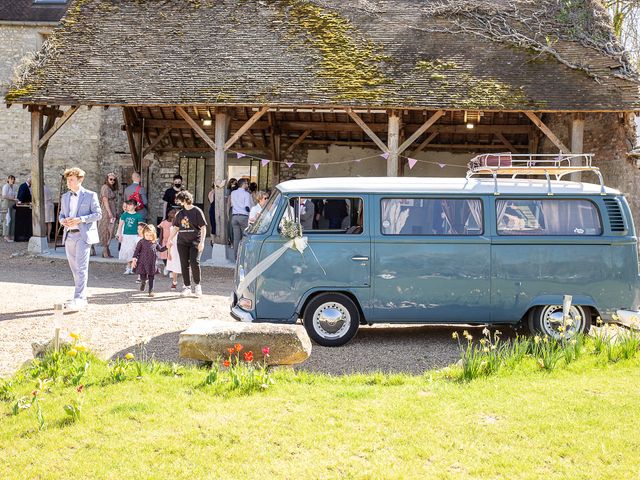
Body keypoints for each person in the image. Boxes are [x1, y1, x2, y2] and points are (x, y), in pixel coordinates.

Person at [58, 167, 102, 311]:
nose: (68, 183)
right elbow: (61, 215)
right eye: (68, 180)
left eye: (71, 180)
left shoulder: (90, 195)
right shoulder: (65, 197)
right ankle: (81, 296)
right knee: (74, 268)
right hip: (69, 235)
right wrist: (63, 221)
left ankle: (79, 298)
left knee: (81, 268)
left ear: (80, 180)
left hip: (84, 236)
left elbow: (98, 214)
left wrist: (80, 219)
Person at [167, 190, 207, 297]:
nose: (178, 202)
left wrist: (202, 242)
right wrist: (169, 239)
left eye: (180, 200)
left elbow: (203, 227)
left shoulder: (197, 211)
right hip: (182, 242)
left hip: (195, 241)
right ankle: (187, 287)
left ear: (185, 199)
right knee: (184, 264)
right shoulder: (179, 213)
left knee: (194, 262)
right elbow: (176, 227)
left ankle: (197, 286)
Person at [131, 224, 166, 297]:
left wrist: (167, 246)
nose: (149, 237)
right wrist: (134, 258)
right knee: (142, 276)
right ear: (144, 234)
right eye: (147, 235)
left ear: (154, 235)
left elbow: (161, 249)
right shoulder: (141, 242)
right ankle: (143, 282)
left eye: (150, 235)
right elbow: (136, 251)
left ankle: (151, 291)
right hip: (142, 262)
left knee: (151, 277)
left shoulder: (155, 242)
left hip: (151, 263)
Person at [117, 199, 143, 274]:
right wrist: (119, 234)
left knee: (133, 251)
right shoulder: (124, 215)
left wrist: (140, 235)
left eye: (131, 204)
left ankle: (132, 267)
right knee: (127, 251)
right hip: (126, 235)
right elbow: (120, 225)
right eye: (128, 204)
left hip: (134, 235)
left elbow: (140, 226)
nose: (128, 206)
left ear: (135, 206)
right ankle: (128, 267)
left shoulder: (138, 215)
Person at [97, 173, 118, 258]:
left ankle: (106, 249)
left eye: (114, 179)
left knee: (111, 230)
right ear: (107, 179)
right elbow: (105, 200)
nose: (112, 181)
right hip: (107, 211)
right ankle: (105, 250)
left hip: (111, 210)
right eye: (111, 179)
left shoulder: (110, 188)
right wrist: (109, 213)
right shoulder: (105, 187)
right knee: (106, 229)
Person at [230, 178, 252, 256]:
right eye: (246, 183)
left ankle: (236, 257)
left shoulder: (233, 193)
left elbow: (232, 204)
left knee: (236, 239)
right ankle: (244, 256)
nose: (247, 185)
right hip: (243, 217)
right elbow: (247, 207)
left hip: (234, 217)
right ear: (243, 184)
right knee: (245, 238)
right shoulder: (246, 194)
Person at [161, 208, 181, 289]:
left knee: (185, 265)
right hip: (174, 247)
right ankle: (174, 281)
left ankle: (187, 283)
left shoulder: (184, 227)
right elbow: (170, 240)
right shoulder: (172, 227)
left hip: (182, 246)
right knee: (174, 264)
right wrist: (169, 253)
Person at [1, 175, 16, 242]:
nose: (12, 180)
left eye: (13, 179)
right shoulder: (5, 186)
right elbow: (4, 196)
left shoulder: (13, 187)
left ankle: (10, 235)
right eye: (11, 179)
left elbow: (14, 196)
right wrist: (12, 198)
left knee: (12, 220)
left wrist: (15, 199)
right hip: (6, 204)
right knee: (7, 220)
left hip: (12, 204)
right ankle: (5, 236)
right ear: (8, 179)